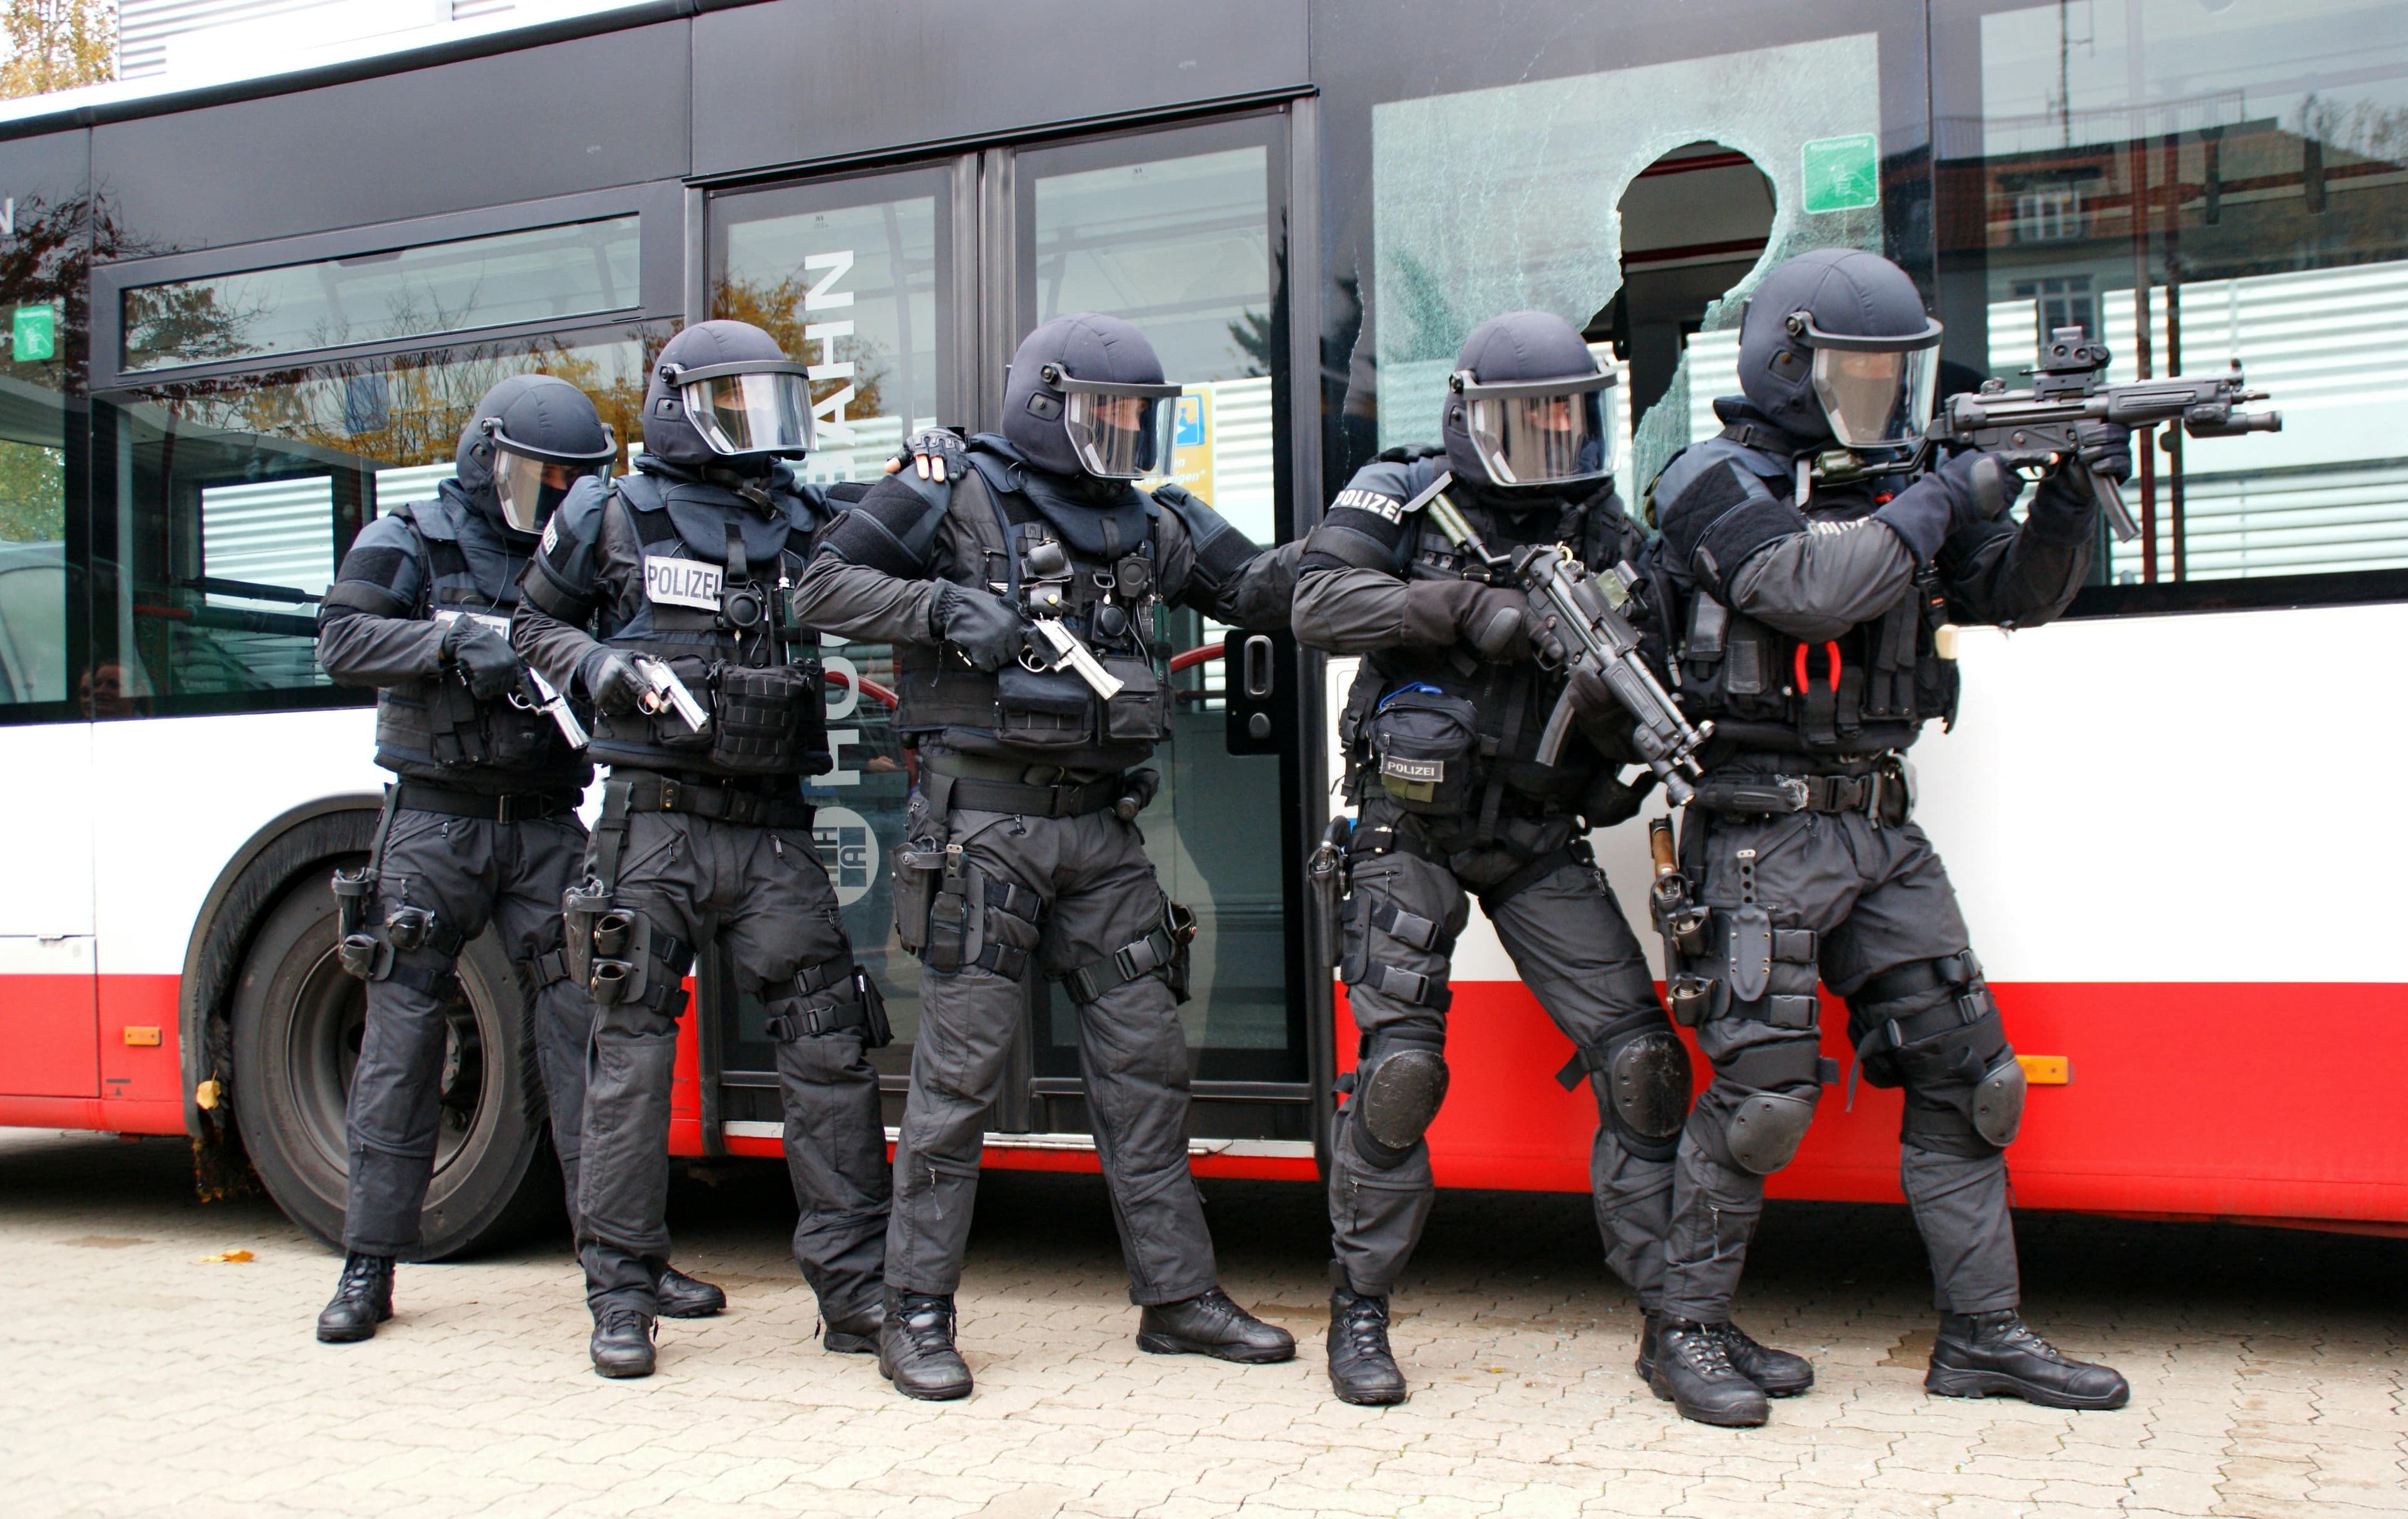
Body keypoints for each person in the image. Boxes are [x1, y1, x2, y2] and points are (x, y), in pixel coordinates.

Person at [1630, 247, 2132, 1425]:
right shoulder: (1709, 481)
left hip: (1878, 826)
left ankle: (1985, 1338)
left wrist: (2060, 494)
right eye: (1855, 374)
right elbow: (1808, 587)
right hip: (1760, 833)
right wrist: (1956, 488)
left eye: (1891, 375)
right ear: (1788, 366)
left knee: (1971, 1076)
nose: (1879, 397)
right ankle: (1685, 1330)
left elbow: (2017, 592)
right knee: (1762, 1094)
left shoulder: (1904, 482)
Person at [794, 312, 1301, 1401]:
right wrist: (940, 606)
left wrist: (1364, 533)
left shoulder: (1148, 522)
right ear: (1046, 404)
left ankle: (1177, 1298)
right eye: (1104, 414)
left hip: (1102, 833)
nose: (1123, 433)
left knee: (1146, 1063)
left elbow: (1261, 587)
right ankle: (916, 1312)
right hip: (984, 828)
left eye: (1136, 417)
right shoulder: (949, 488)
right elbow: (819, 588)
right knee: (960, 1077)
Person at [1287, 309, 1784, 1408]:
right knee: (1402, 1072)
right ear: (1474, 420)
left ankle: (1677, 1320)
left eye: (1571, 411)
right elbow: (1315, 600)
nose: (1556, 432)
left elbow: (1647, 662)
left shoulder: (1605, 530)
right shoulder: (1404, 490)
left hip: (1531, 835)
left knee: (1642, 1061)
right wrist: (1470, 611)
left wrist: (1618, 717)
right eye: (1532, 415)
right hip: (1404, 829)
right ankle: (1359, 1309)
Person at [310, 374, 726, 1342]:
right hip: (435, 823)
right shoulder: (409, 535)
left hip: (546, 821)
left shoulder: (586, 549)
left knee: (594, 1043)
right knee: (402, 1045)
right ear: (486, 462)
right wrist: (453, 643)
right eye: (540, 480)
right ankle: (368, 1267)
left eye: (575, 484)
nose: (556, 501)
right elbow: (340, 637)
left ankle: (628, 1263)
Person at [511, 322, 889, 1379]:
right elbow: (534, 628)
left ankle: (857, 1293)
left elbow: (895, 546)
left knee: (829, 1046)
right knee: (628, 1057)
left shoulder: (801, 511)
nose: (756, 426)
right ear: (680, 404)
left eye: (769, 402)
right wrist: (601, 667)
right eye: (734, 403)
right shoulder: (607, 510)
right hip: (653, 825)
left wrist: (928, 474)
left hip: (772, 828)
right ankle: (621, 1297)